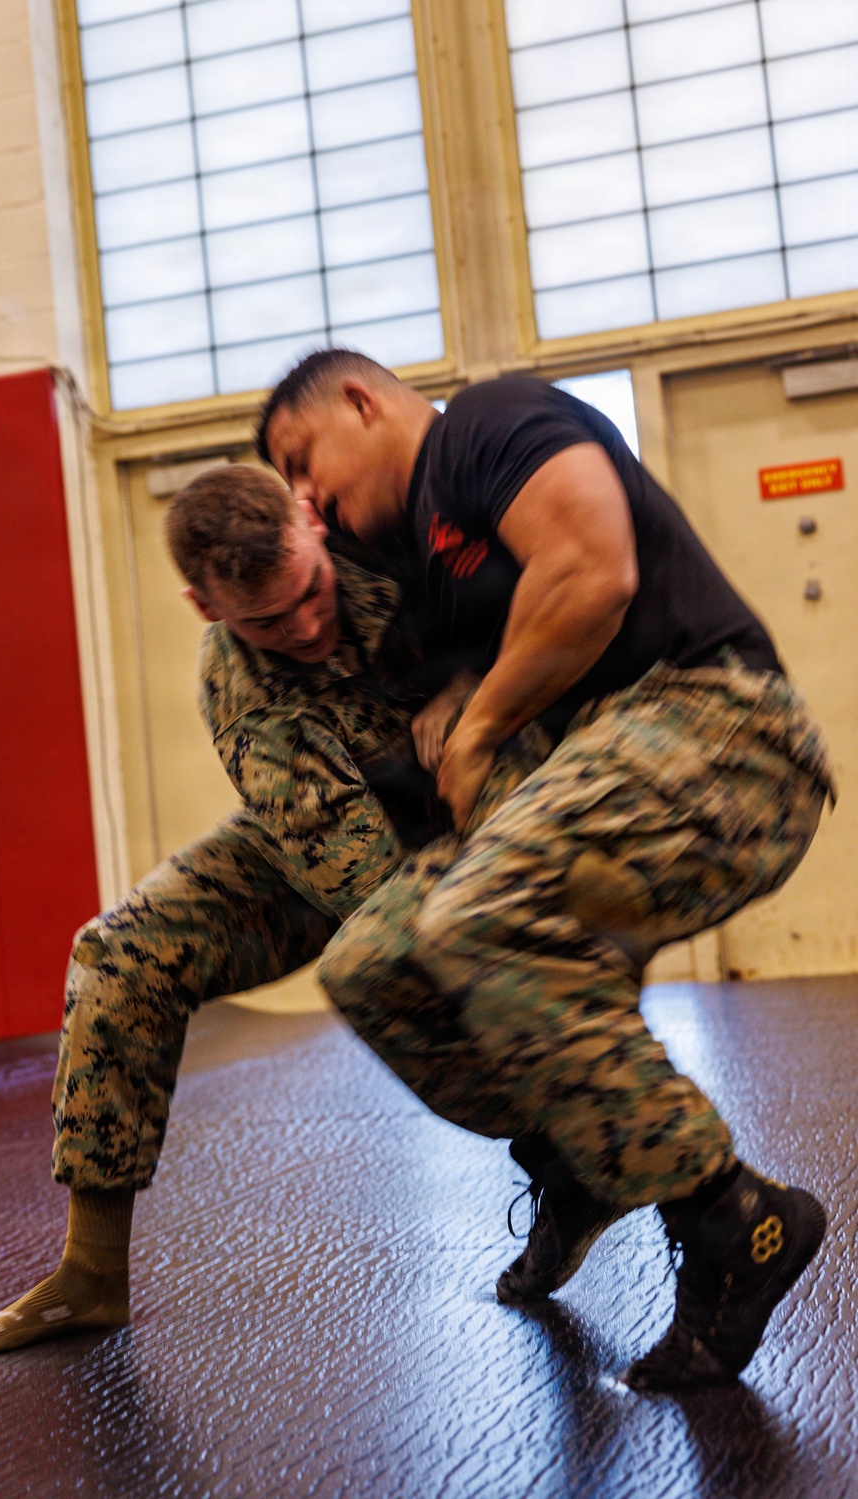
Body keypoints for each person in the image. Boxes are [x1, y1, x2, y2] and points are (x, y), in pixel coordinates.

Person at [257, 349, 836, 1391]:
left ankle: (734, 1218)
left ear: (360, 399)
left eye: (301, 459)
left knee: (475, 911)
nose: (303, 494)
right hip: (606, 764)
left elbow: (592, 568)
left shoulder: (483, 424)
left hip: (722, 727)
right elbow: (460, 688)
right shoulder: (421, 568)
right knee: (374, 961)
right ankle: (574, 1153)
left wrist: (476, 724)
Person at [0, 463, 533, 1358]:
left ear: (309, 522)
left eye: (308, 592)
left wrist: (476, 703)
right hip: (349, 840)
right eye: (266, 620)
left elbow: (549, 616)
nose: (302, 627)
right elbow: (356, 875)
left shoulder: (394, 540)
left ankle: (575, 1161)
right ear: (203, 605)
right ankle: (91, 1272)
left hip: (494, 797)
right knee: (121, 954)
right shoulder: (238, 684)